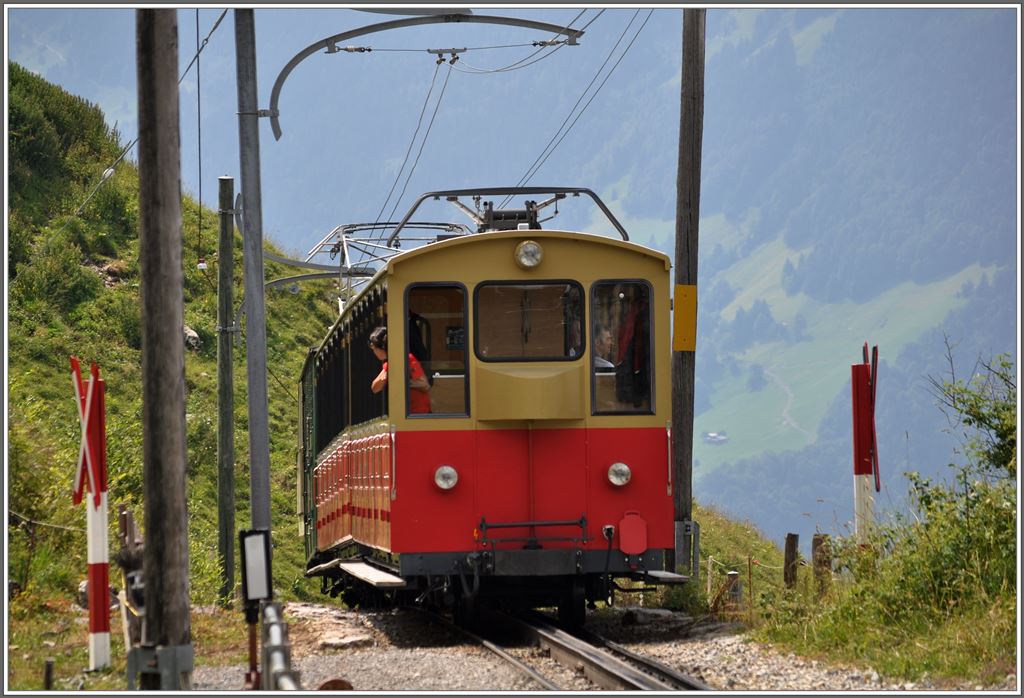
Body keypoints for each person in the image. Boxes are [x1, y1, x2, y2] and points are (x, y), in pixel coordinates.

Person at [368, 326, 431, 414]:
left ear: (383, 347)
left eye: (375, 348)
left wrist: (404, 383)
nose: (374, 351)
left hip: (418, 413)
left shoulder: (407, 359)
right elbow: (375, 388)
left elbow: (424, 385)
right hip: (405, 412)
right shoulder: (389, 364)